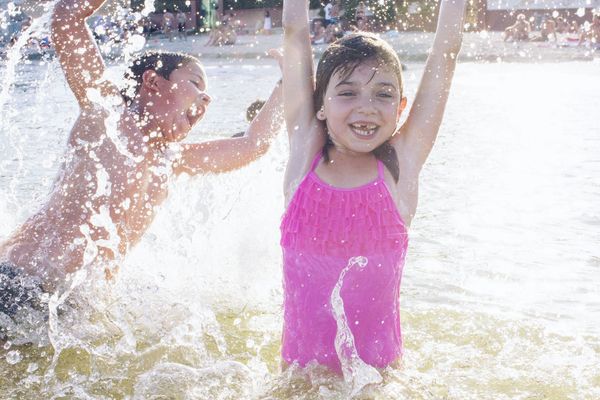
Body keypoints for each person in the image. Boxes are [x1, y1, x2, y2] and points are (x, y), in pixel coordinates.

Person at [0, 0, 283, 333]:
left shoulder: (173, 159)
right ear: (152, 82)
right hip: (21, 283)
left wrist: (290, 80)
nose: (206, 99)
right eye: (195, 83)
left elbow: (253, 145)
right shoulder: (105, 113)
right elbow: (66, 19)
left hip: (75, 310)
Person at [280, 0, 466, 372]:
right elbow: (295, 34)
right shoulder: (305, 158)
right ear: (319, 105)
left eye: (383, 94)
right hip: (298, 385)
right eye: (347, 93)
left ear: (401, 108)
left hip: (378, 385)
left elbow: (446, 49)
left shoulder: (400, 167)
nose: (366, 107)